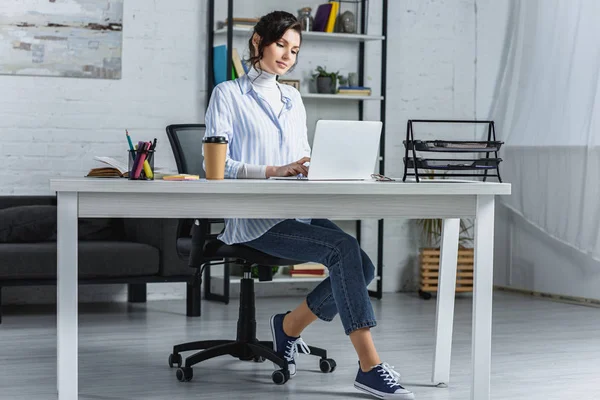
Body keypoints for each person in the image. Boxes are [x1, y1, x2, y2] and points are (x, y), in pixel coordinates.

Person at [204, 10, 415, 400]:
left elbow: (301, 155)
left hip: (294, 206)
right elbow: (218, 165)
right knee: (344, 248)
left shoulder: (293, 97)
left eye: (295, 49)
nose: (287, 55)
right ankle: (369, 367)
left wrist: (319, 167)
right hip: (255, 218)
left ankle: (288, 328)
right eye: (281, 44)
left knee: (362, 264)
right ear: (258, 42)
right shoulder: (228, 94)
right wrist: (273, 170)